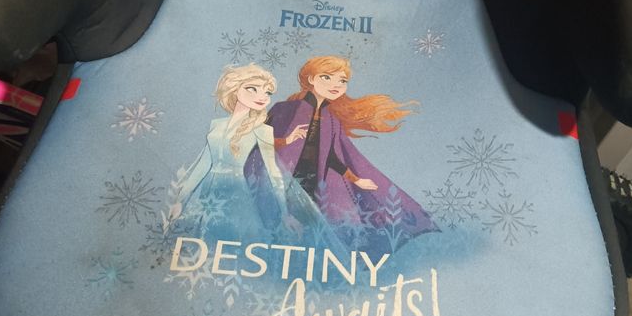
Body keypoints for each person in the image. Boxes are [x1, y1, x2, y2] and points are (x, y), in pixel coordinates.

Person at [260, 55, 438, 255]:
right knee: (287, 229)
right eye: (327, 77)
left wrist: (356, 179)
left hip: (316, 184)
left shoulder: (331, 118)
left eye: (342, 80)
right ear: (311, 79)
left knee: (320, 234)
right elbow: (259, 142)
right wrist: (286, 141)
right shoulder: (285, 109)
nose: (336, 84)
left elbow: (332, 157)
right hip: (284, 179)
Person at [169, 64, 300, 244]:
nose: (262, 96)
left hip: (236, 193)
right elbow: (203, 165)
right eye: (252, 88)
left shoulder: (263, 130)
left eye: (267, 92)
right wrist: (180, 200)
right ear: (234, 88)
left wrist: (285, 213)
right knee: (200, 241)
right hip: (206, 193)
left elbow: (273, 171)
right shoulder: (216, 124)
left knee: (233, 241)